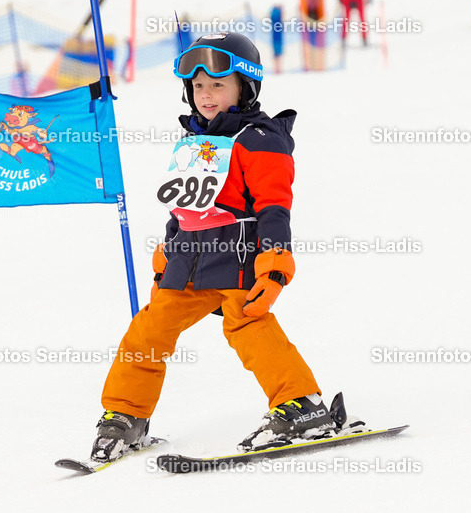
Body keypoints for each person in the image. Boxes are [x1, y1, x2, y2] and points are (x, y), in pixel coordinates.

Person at [90, 32, 364, 462]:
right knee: (147, 330)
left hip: (238, 261)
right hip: (189, 265)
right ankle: (125, 417)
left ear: (245, 87)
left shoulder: (259, 139)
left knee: (247, 323)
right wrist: (167, 252)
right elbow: (184, 203)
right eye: (198, 86)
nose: (206, 95)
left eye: (218, 84)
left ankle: (302, 406)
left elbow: (275, 207)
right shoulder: (193, 143)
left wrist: (274, 263)